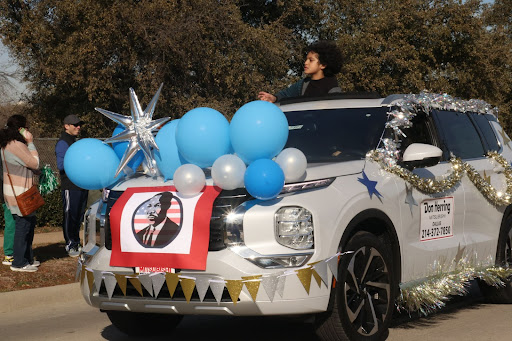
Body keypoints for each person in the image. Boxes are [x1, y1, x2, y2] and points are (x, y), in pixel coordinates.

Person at [0, 115, 41, 272]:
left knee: (27, 225)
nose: (29, 131)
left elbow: (24, 165)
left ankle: (27, 259)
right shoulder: (16, 145)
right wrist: (30, 143)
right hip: (21, 193)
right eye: (27, 127)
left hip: (13, 192)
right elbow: (35, 162)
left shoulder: (6, 144)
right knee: (23, 227)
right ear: (21, 129)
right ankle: (19, 263)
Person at [258, 40, 343, 103]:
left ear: (323, 65)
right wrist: (273, 98)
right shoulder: (302, 84)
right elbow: (285, 95)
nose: (306, 63)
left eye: (311, 60)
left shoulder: (332, 88)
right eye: (306, 59)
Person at [55, 114, 88, 257]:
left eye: (79, 124)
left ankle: (76, 242)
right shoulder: (63, 142)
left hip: (82, 184)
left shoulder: (75, 141)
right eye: (75, 125)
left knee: (79, 215)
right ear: (66, 126)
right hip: (70, 185)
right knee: (71, 215)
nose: (78, 127)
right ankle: (70, 244)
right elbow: (61, 166)